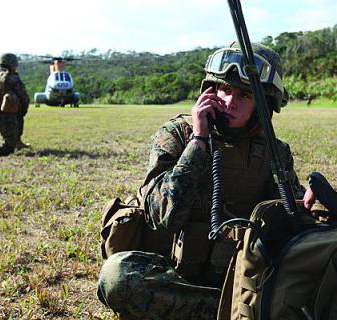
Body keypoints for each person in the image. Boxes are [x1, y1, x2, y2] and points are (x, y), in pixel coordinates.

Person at [97, 42, 315, 319]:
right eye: (224, 89)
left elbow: (290, 221)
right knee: (118, 276)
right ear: (209, 91)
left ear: (264, 104)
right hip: (174, 275)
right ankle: (230, 312)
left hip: (239, 280)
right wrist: (198, 142)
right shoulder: (175, 135)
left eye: (245, 95)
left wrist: (310, 204)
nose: (229, 102)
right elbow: (161, 216)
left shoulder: (275, 151)